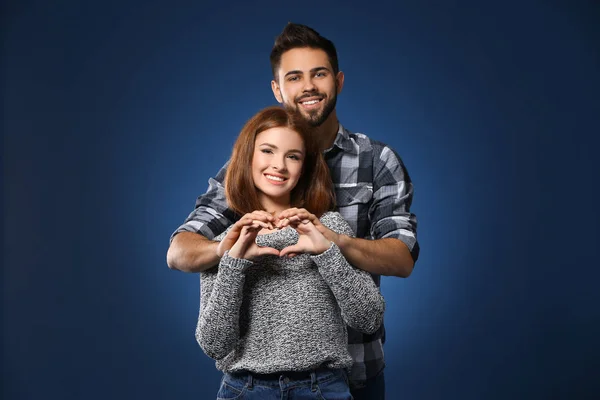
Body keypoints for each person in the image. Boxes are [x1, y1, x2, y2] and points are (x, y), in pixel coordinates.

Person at [167, 23, 419, 399]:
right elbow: (182, 252)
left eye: (319, 73)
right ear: (277, 88)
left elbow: (401, 260)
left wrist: (333, 244)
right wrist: (228, 252)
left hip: (353, 368)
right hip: (250, 382)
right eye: (294, 77)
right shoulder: (242, 181)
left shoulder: (376, 160)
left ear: (338, 80)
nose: (309, 86)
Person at [196, 106, 385, 399]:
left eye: (293, 156)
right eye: (267, 151)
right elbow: (214, 345)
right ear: (247, 157)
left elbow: (369, 319)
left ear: (305, 167)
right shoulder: (226, 241)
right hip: (245, 389)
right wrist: (233, 264)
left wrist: (327, 254)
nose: (279, 166)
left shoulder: (329, 228)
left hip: (323, 387)